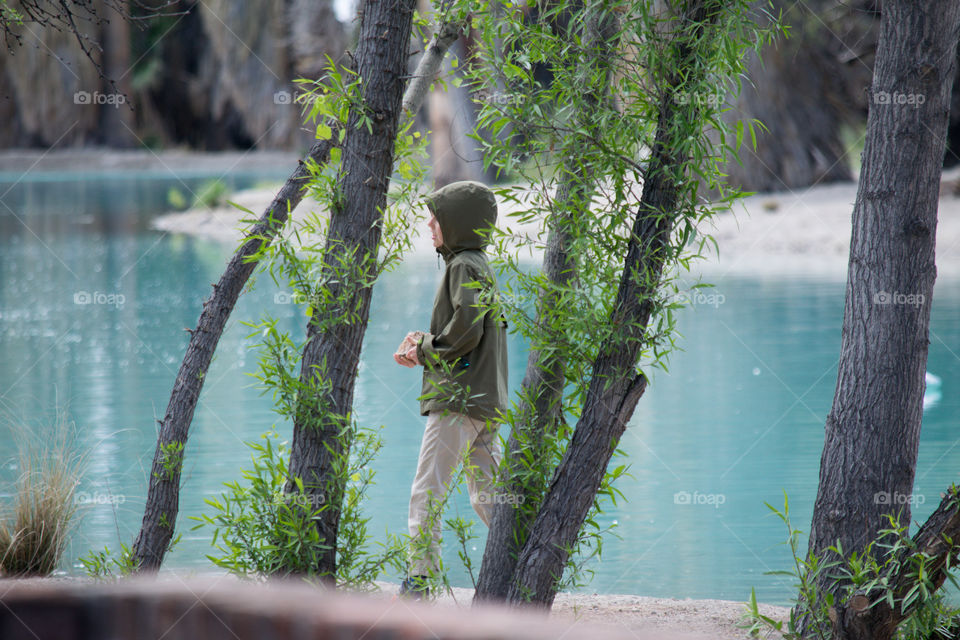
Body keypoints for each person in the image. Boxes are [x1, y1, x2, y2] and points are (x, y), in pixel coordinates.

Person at [393, 180, 508, 600]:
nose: (429, 224)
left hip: (459, 402)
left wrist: (426, 349)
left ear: (457, 223)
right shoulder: (476, 263)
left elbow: (465, 331)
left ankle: (420, 583)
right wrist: (426, 343)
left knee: (428, 490)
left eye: (436, 218)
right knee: (490, 495)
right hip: (484, 399)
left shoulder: (462, 266)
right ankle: (525, 559)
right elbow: (467, 329)